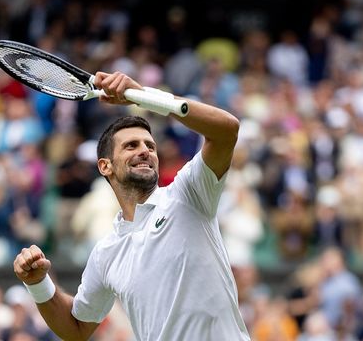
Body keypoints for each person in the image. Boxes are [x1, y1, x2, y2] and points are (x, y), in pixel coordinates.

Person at [13, 71, 250, 340]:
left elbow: (226, 130)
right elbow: (76, 328)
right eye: (131, 145)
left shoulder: (188, 194)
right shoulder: (106, 253)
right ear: (105, 166)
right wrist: (37, 283)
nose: (145, 150)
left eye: (150, 145)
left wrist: (146, 97)